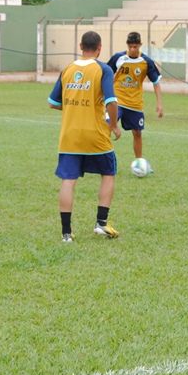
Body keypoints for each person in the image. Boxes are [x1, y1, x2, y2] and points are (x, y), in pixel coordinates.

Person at [49, 31, 122, 243]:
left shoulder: (67, 70)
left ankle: (66, 233)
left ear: (80, 46)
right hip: (96, 135)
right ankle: (101, 223)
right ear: (100, 47)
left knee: (68, 181)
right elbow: (111, 101)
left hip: (69, 136)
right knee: (108, 173)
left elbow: (53, 102)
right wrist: (114, 126)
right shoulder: (103, 69)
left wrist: (74, 106)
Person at [106, 32, 163, 160]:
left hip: (135, 103)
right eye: (130, 46)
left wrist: (159, 103)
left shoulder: (146, 61)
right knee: (107, 127)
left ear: (140, 45)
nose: (132, 49)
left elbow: (156, 82)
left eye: (135, 46)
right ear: (127, 45)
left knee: (137, 133)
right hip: (117, 101)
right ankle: (101, 159)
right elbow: (105, 75)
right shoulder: (118, 58)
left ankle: (139, 162)